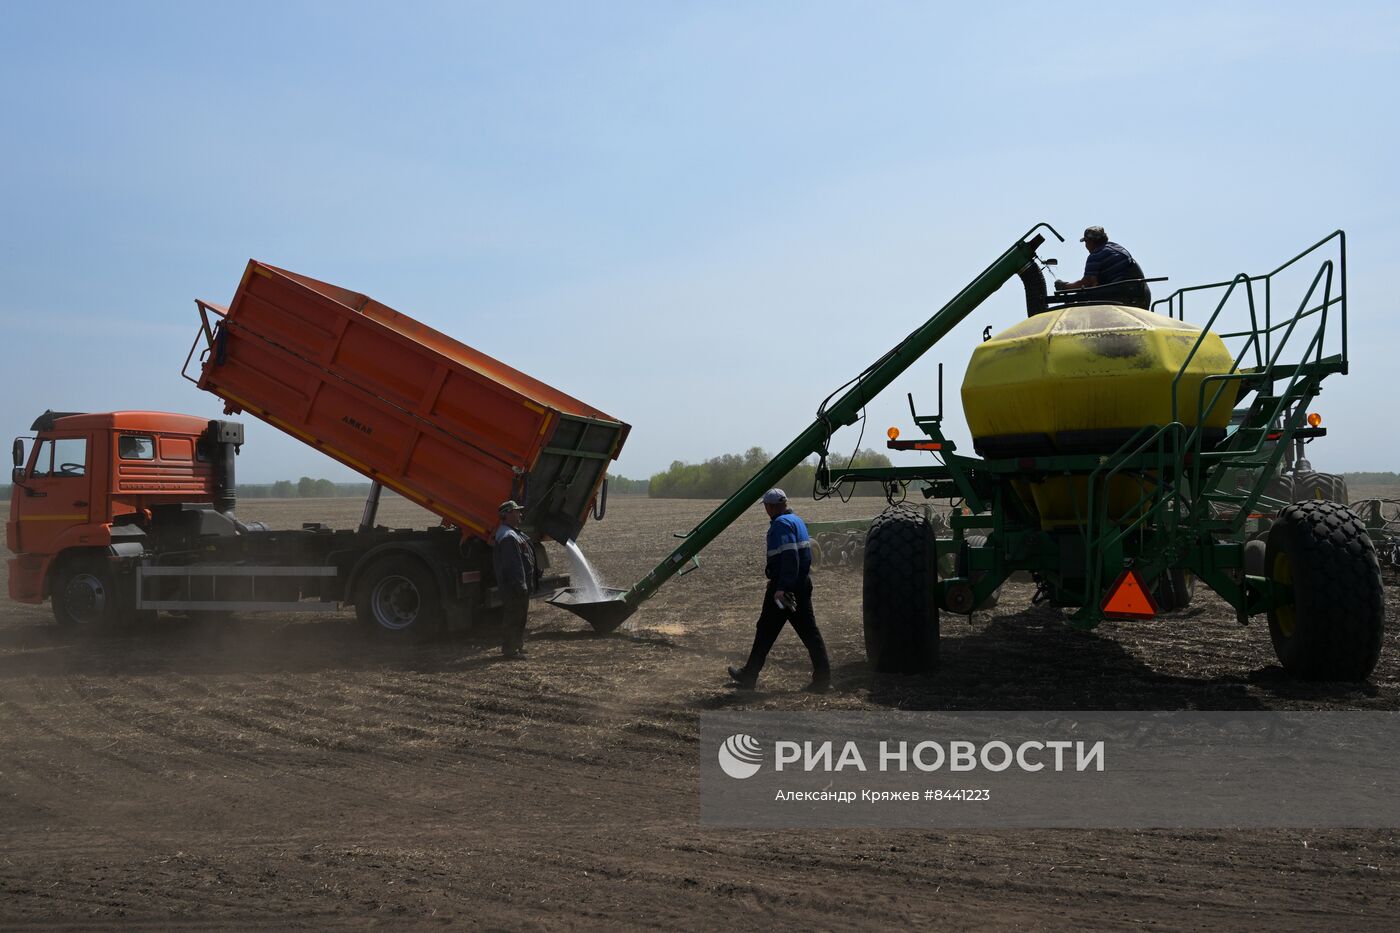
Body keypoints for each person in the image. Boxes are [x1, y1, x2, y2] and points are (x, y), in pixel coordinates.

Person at [727, 489, 831, 692]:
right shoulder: (796, 520)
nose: (765, 509)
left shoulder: (781, 524)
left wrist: (782, 587)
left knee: (766, 630)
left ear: (771, 506)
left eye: (766, 506)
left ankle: (749, 676)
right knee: (808, 633)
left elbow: (790, 556)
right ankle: (823, 679)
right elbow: (802, 556)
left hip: (786, 590)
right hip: (800, 583)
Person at [1054, 226, 1151, 309]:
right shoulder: (1115, 247)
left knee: (1079, 297)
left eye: (1086, 242)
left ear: (1091, 242)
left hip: (1123, 295)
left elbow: (1087, 283)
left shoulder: (1096, 255)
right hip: (1142, 295)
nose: (1086, 246)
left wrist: (1065, 286)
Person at [493, 499, 536, 659]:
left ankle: (517, 645)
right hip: (513, 587)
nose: (520, 514)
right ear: (508, 514)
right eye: (517, 511)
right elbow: (513, 564)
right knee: (513, 617)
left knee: (520, 616)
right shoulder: (507, 536)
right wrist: (520, 584)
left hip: (518, 586)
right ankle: (510, 650)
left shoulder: (513, 533)